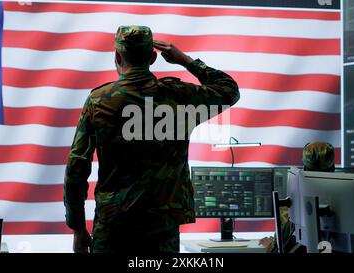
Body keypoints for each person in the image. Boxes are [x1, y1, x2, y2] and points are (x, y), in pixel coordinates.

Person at [63, 25, 240, 253]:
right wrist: (186, 61)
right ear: (154, 57)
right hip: (162, 229)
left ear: (117, 56)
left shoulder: (99, 101)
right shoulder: (179, 96)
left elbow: (77, 165)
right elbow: (229, 90)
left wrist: (77, 227)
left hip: (114, 227)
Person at [259, 142, 336, 253]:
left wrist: (271, 245)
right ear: (332, 168)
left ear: (304, 168)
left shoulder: (294, 211)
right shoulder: (350, 201)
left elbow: (277, 250)